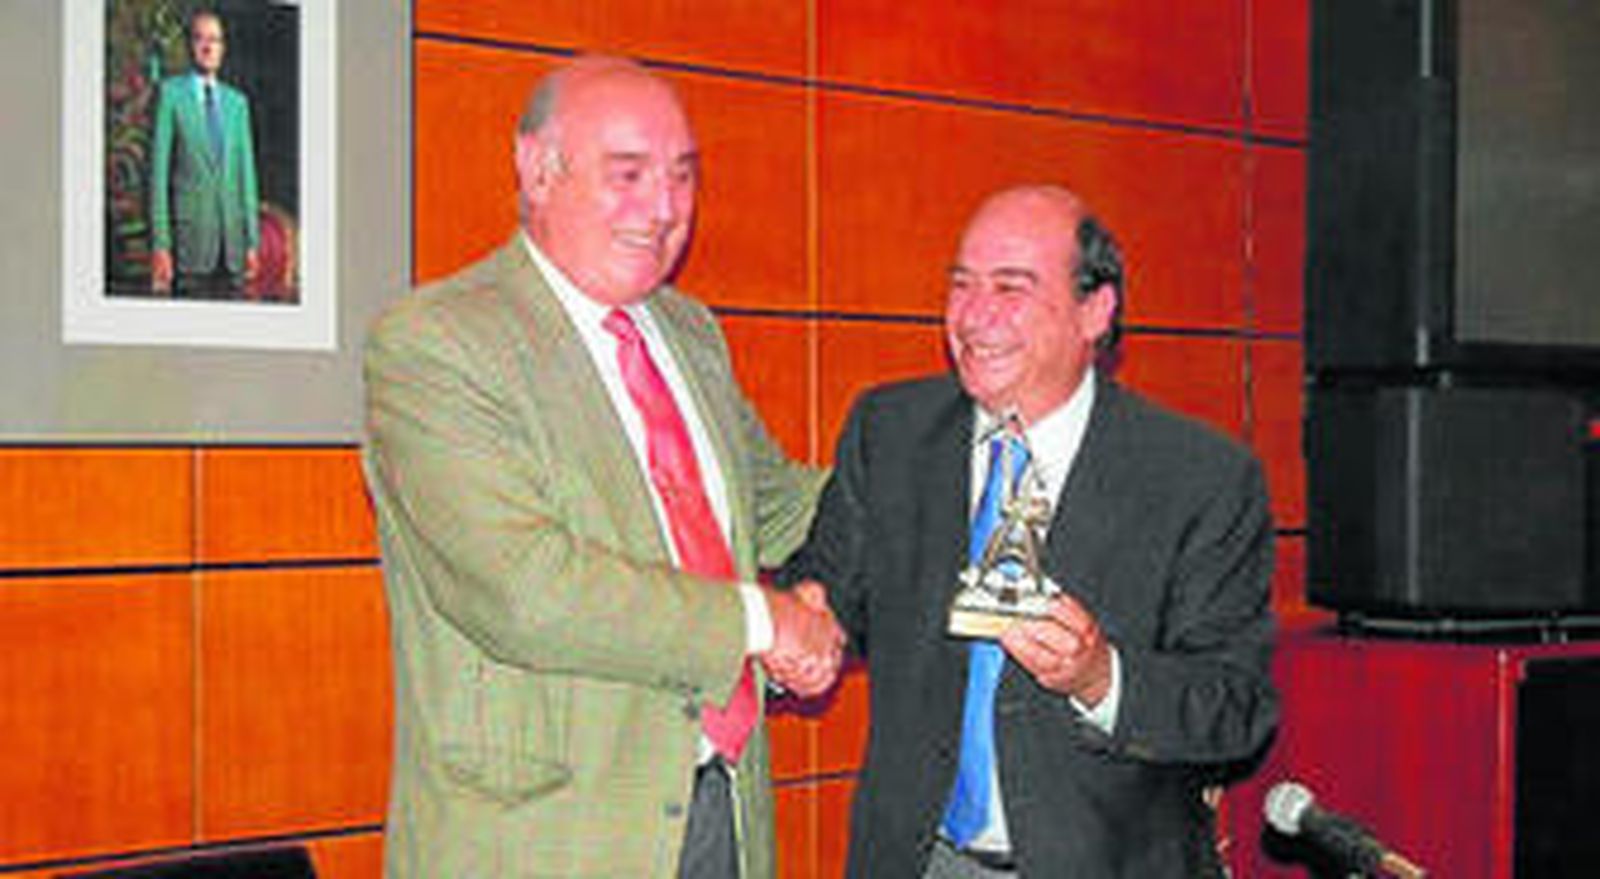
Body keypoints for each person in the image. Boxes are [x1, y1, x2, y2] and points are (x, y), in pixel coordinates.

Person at [363, 56, 842, 878]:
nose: (663, 209)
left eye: (682, 177)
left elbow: (775, 509)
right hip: (546, 840)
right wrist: (765, 623)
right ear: (536, 169)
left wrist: (956, 464)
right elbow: (525, 588)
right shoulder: (437, 344)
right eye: (629, 174)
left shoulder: (691, 335)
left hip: (719, 816)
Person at [782, 185, 1279, 877]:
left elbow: (1236, 707)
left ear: (1094, 310)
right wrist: (803, 611)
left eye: (1011, 288)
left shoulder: (1199, 477)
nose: (975, 316)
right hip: (920, 859)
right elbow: (833, 588)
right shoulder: (891, 432)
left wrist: (1102, 676)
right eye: (961, 285)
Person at [148, 8, 259, 297]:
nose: (208, 47)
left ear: (223, 48)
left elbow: (246, 177)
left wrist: (252, 242)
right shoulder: (170, 94)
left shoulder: (238, 104)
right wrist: (161, 245)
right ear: (190, 45)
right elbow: (157, 176)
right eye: (200, 39)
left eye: (215, 40)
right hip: (189, 248)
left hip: (233, 248)